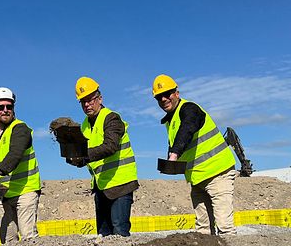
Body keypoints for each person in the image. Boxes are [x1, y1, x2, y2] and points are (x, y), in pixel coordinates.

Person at [152, 74, 237, 235]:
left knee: (224, 226)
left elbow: (188, 128)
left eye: (167, 94)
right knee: (203, 229)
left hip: (218, 174)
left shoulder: (190, 109)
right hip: (197, 179)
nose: (163, 99)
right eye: (159, 97)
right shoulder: (171, 121)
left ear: (177, 93)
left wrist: (174, 154)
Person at [68, 77, 139, 237]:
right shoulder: (85, 125)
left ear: (100, 98)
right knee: (103, 234)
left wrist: (83, 156)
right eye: (82, 102)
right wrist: (74, 157)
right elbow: (86, 154)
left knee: (119, 232)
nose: (86, 104)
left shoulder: (112, 118)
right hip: (101, 187)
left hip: (120, 184)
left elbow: (110, 146)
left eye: (90, 100)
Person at [0, 87, 41, 244]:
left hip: (25, 191)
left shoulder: (21, 129)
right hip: (3, 194)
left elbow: (15, 154)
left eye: (9, 106)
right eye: (1, 107)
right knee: (7, 242)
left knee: (28, 239)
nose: (6, 110)